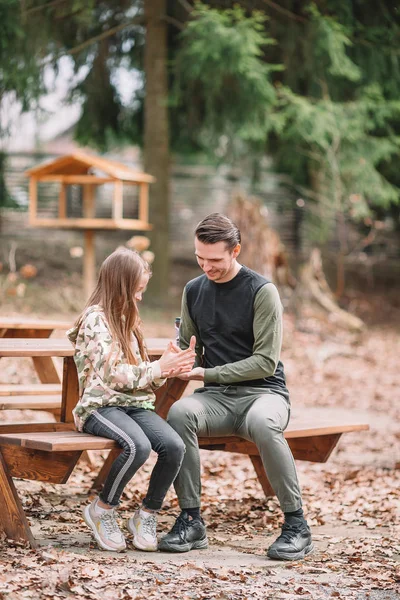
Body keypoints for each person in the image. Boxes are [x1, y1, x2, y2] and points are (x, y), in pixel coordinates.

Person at [158, 213, 313, 561]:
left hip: (265, 393)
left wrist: (204, 374)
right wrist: (178, 357)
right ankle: (191, 519)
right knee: (180, 413)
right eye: (200, 258)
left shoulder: (262, 291)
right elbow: (189, 347)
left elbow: (265, 362)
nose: (206, 266)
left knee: (261, 423)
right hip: (216, 399)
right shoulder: (193, 290)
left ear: (236, 250)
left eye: (214, 260)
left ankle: (296, 526)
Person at [67, 247, 195, 553]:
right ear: (121, 285)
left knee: (175, 446)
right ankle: (102, 509)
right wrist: (157, 368)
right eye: (137, 290)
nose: (140, 297)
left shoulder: (128, 319)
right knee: (137, 445)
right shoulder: (96, 320)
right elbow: (112, 374)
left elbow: (140, 372)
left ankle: (147, 515)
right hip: (99, 407)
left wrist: (167, 366)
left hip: (133, 404)